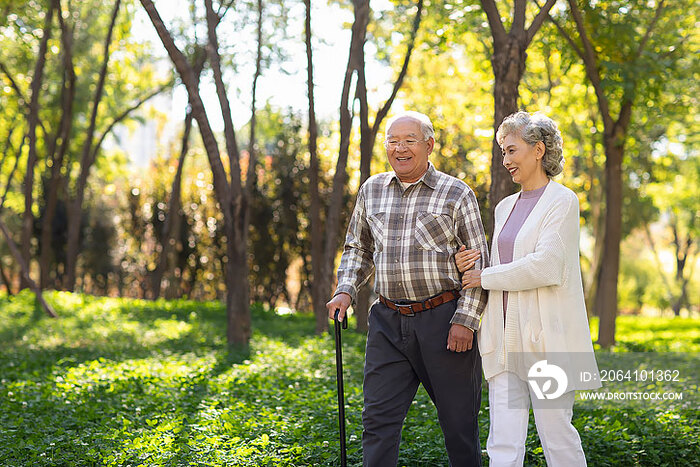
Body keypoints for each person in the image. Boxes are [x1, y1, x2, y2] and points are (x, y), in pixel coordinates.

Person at [326, 111, 489, 467]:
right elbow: (358, 248)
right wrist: (345, 290)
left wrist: (466, 320)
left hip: (443, 321)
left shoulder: (456, 193)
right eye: (392, 141)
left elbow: (478, 263)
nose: (399, 149)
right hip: (386, 319)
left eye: (409, 141)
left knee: (459, 424)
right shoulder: (372, 190)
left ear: (429, 145)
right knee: (377, 420)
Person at [456, 111, 600, 466]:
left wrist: (484, 277)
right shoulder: (505, 207)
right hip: (502, 341)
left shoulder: (562, 201)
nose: (505, 160)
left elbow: (546, 266)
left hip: (546, 342)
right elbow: (499, 268)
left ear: (538, 150)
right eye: (503, 152)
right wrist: (470, 268)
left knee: (557, 439)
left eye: (512, 150)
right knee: (503, 443)